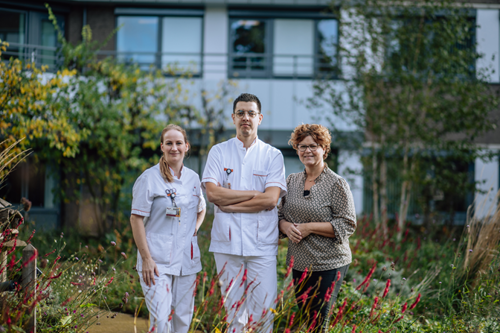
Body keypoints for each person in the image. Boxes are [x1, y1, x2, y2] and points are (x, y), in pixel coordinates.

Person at [202, 93, 287, 332]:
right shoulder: (219, 152)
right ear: (233, 118)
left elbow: (271, 199)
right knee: (234, 315)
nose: (245, 118)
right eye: (241, 113)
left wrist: (230, 203)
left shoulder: (272, 155)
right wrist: (252, 193)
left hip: (261, 248)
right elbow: (213, 195)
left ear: (259, 118)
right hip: (227, 246)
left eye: (251, 113)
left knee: (263, 315)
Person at [278, 124, 356, 331]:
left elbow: (347, 224)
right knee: (306, 319)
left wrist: (309, 227)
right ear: (296, 150)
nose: (307, 151)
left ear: (324, 148)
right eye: (301, 146)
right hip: (300, 263)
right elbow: (279, 216)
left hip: (329, 263)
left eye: (313, 145)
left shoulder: (336, 183)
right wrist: (285, 226)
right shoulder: (291, 181)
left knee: (318, 322)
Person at [130, 124, 206, 333]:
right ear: (162, 147)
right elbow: (136, 219)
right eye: (169, 143)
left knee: (183, 320)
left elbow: (201, 208)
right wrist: (146, 258)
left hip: (186, 261)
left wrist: (194, 230)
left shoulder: (193, 178)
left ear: (186, 146)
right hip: (156, 262)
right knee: (161, 320)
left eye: (178, 143)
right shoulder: (149, 178)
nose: (174, 148)